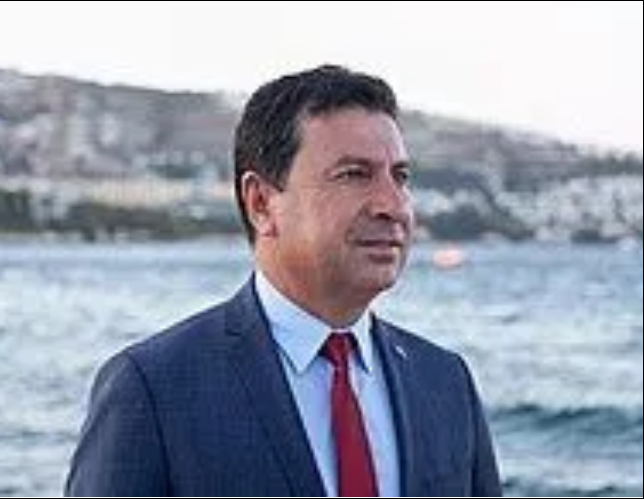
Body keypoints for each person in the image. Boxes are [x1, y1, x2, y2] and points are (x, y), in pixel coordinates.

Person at [65, 64, 502, 497]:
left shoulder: (446, 382)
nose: (393, 205)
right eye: (354, 175)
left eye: (400, 177)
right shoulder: (154, 389)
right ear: (261, 203)